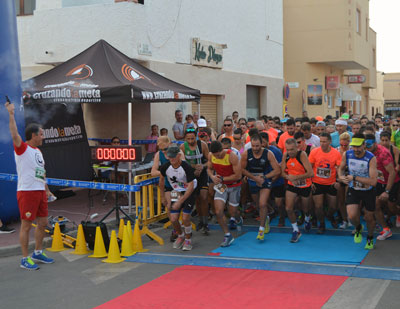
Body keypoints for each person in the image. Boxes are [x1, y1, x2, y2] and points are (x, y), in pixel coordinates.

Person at [5, 101, 56, 270]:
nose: (43, 136)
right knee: (26, 225)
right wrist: (11, 114)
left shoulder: (38, 152)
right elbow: (14, 135)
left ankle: (38, 252)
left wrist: (47, 189)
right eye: (41, 134)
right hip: (27, 192)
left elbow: (41, 172)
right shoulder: (22, 148)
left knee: (42, 223)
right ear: (33, 135)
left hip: (40, 191)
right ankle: (25, 258)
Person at [338, 133, 377, 249]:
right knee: (351, 215)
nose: (356, 149)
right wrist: (340, 177)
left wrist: (354, 178)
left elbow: (373, 182)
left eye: (358, 146)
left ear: (364, 145)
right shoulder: (347, 154)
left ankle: (370, 237)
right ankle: (358, 227)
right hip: (354, 188)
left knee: (369, 218)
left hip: (368, 191)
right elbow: (340, 168)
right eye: (354, 146)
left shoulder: (371, 158)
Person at [241, 134, 281, 240]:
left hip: (265, 180)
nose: (255, 148)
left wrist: (264, 177)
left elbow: (277, 170)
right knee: (258, 205)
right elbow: (242, 169)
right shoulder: (246, 154)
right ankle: (266, 217)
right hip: (253, 180)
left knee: (263, 203)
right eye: (253, 146)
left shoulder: (268, 153)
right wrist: (254, 178)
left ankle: (261, 229)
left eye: (257, 146)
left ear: (262, 144)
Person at [159, 145, 197, 251]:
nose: (172, 160)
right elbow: (161, 181)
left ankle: (188, 239)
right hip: (176, 191)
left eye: (174, 157)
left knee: (185, 218)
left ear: (179, 156)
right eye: (169, 157)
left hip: (189, 191)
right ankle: (180, 235)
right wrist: (163, 197)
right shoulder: (165, 167)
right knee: (173, 218)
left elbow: (191, 186)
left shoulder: (186, 167)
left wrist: (181, 201)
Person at [364, 134, 399, 241]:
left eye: (369, 145)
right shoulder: (366, 151)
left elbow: (392, 173)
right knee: (375, 205)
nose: (367, 148)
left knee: (391, 208)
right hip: (379, 181)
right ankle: (386, 230)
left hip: (391, 181)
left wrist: (387, 191)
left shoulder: (383, 153)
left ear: (375, 143)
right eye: (366, 146)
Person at [207, 141, 242, 247]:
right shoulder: (211, 155)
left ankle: (238, 218)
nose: (217, 157)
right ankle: (227, 235)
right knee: (218, 211)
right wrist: (212, 177)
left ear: (222, 150)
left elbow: (238, 175)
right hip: (221, 186)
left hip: (234, 185)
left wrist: (222, 178)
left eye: (218, 155)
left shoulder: (232, 156)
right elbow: (209, 168)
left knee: (233, 212)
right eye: (215, 155)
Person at [281, 138, 314, 243]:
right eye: (288, 149)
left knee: (306, 209)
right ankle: (296, 230)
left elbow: (310, 173)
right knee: (288, 208)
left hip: (305, 185)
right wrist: (289, 178)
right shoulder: (285, 156)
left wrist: (296, 178)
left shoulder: (302, 155)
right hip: (292, 185)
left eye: (292, 149)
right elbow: (282, 173)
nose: (290, 152)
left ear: (297, 147)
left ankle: (307, 218)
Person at [309, 133, 342, 233]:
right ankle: (321, 224)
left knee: (333, 206)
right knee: (318, 206)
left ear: (330, 142)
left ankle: (329, 215)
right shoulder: (314, 152)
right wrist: (310, 182)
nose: (322, 144)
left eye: (324, 141)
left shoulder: (336, 153)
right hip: (317, 183)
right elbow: (309, 168)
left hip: (331, 183)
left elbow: (340, 169)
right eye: (321, 142)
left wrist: (338, 181)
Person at [180, 128, 210, 234]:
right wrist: (193, 167)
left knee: (204, 197)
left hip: (202, 174)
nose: (191, 141)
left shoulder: (203, 145)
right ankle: (200, 221)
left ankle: (205, 222)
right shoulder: (183, 147)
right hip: (191, 175)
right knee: (197, 199)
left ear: (196, 137)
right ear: (185, 138)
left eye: (193, 138)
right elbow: (181, 163)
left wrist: (202, 166)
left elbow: (210, 160)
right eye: (188, 139)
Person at [260, 132, 286, 226]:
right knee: (262, 200)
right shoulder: (257, 152)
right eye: (260, 142)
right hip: (265, 180)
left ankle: (282, 217)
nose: (262, 145)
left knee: (279, 202)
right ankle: (271, 212)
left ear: (268, 141)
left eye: (263, 142)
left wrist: (272, 180)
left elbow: (280, 168)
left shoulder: (275, 151)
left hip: (277, 180)